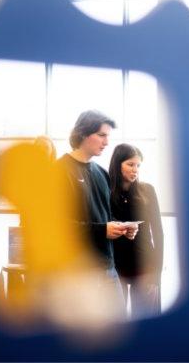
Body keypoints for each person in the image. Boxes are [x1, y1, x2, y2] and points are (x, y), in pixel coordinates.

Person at [57, 110, 137, 314]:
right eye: (102, 135)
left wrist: (121, 228)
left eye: (108, 136)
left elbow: (104, 217)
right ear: (83, 134)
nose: (107, 142)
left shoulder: (101, 173)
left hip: (108, 269)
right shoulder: (59, 171)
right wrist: (103, 230)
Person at [109, 143, 164, 318]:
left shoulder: (147, 190)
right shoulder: (106, 192)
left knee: (145, 327)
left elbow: (158, 233)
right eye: (130, 164)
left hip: (145, 267)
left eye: (138, 165)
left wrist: (157, 275)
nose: (135, 170)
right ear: (118, 165)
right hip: (116, 267)